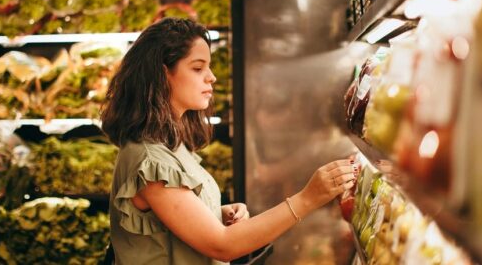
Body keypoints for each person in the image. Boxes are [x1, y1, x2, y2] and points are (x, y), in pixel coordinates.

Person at [101, 18, 357, 265]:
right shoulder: (151, 161)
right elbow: (222, 246)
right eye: (198, 68)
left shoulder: (169, 145)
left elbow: (169, 222)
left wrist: (215, 214)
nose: (211, 77)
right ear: (163, 74)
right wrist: (309, 198)